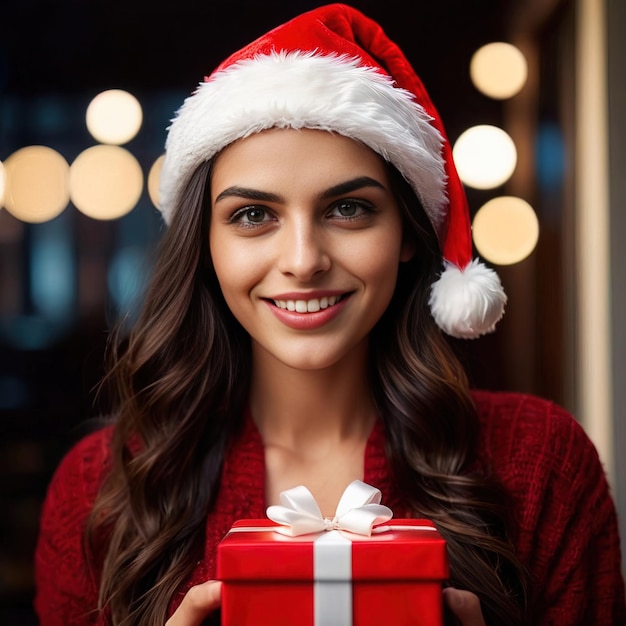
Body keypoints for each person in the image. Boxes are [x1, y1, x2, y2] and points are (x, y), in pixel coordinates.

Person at [34, 3, 625, 625]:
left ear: (405, 233)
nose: (302, 260)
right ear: (205, 245)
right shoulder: (98, 490)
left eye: (347, 209)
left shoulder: (541, 465)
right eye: (252, 215)